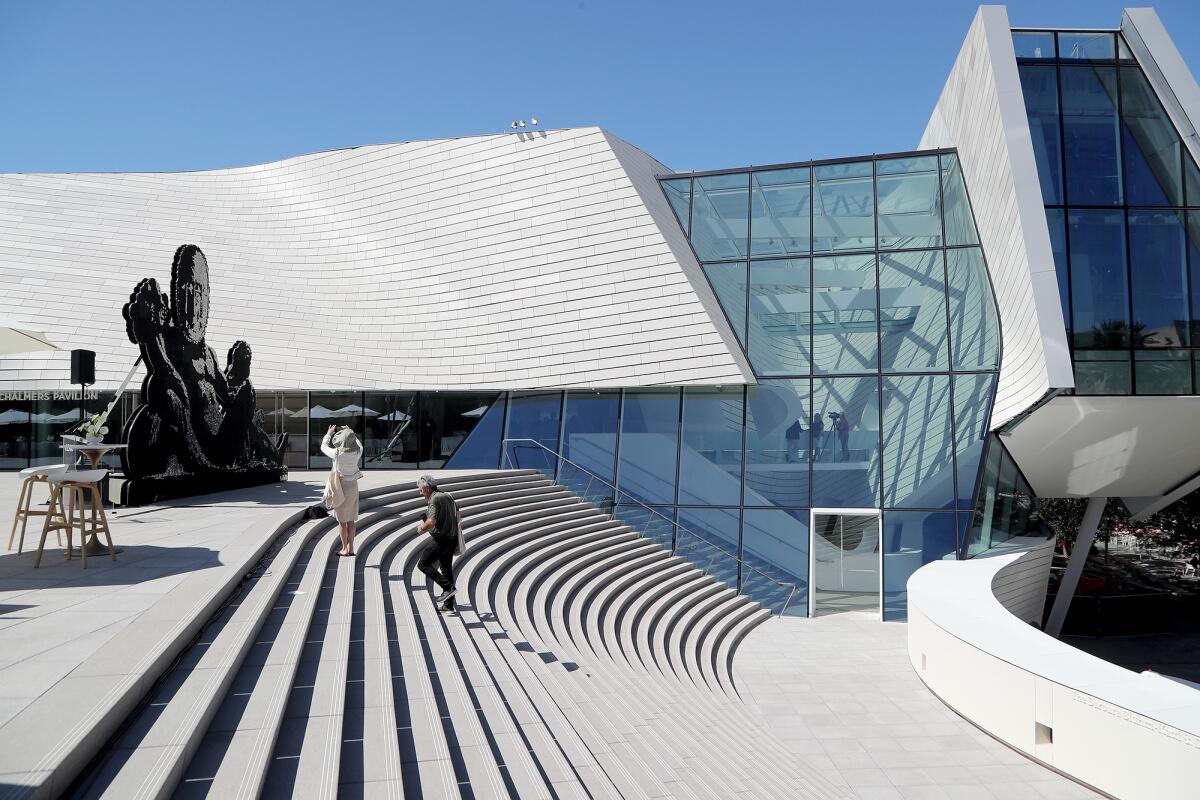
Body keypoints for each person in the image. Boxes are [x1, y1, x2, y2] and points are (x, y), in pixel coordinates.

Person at [415, 474, 460, 612]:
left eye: (421, 489)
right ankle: (448, 605)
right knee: (446, 570)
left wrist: (421, 528)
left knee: (423, 564)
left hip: (442, 540)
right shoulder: (447, 495)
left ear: (428, 488)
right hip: (452, 538)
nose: (419, 492)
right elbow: (458, 515)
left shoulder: (434, 499)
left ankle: (448, 587)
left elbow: (431, 521)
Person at [321, 424, 362, 556]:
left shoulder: (337, 453)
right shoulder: (357, 452)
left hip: (340, 486)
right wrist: (350, 432)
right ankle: (351, 547)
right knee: (351, 520)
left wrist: (329, 434)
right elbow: (359, 444)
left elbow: (323, 447)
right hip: (353, 486)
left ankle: (344, 548)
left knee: (342, 520)